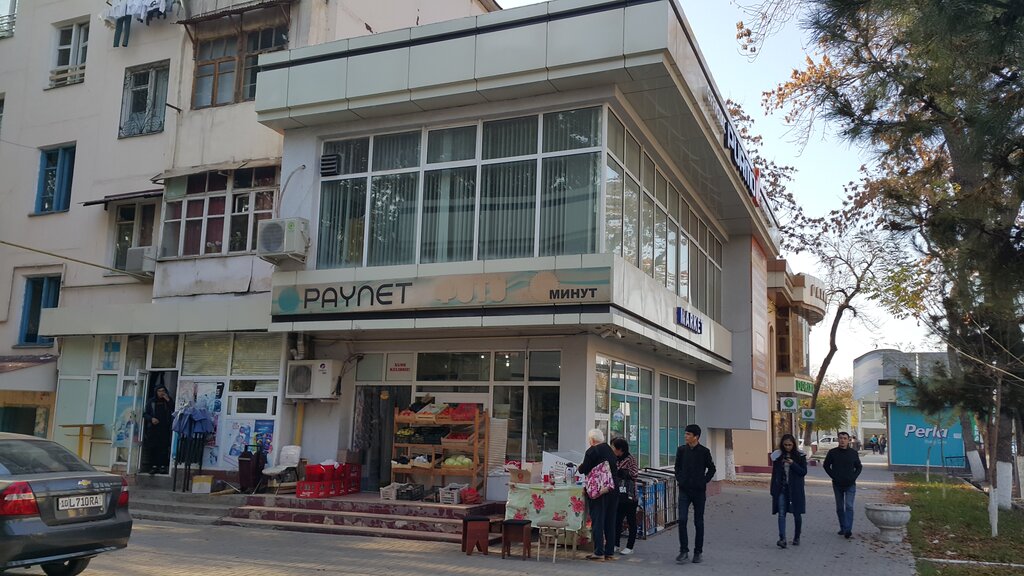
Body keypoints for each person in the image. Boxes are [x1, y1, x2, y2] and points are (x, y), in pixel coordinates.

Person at [674, 424, 716, 564]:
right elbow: (677, 467)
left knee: (698, 522)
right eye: (685, 434)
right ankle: (683, 550)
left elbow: (712, 468)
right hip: (684, 490)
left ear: (696, 437)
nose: (685, 436)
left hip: (698, 492)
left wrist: (703, 481)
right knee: (682, 519)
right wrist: (680, 479)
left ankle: (698, 552)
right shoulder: (681, 450)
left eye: (688, 434)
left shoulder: (704, 452)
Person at [578, 428, 619, 562]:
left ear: (592, 440)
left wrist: (579, 467)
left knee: (598, 520)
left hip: (599, 491)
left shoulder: (592, 451)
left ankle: (598, 552)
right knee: (610, 521)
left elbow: (585, 469)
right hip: (612, 489)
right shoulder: (609, 450)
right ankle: (609, 552)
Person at [823, 431, 863, 538]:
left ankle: (848, 529)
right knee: (840, 507)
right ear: (838, 439)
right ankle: (843, 527)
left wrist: (853, 477)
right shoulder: (832, 452)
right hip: (837, 484)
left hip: (850, 484)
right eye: (840, 438)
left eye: (845, 438)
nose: (842, 440)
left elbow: (859, 467)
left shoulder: (853, 453)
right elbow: (826, 465)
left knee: (849, 506)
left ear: (848, 440)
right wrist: (833, 476)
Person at [770, 434, 807, 548]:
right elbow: (774, 474)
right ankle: (782, 538)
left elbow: (803, 472)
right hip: (782, 488)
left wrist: (793, 464)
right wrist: (773, 489)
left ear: (794, 445)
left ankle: (797, 537)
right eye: (785, 445)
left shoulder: (800, 456)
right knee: (781, 513)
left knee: (797, 513)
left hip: (795, 489)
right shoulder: (778, 456)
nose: (787, 447)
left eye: (790, 445)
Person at [611, 437, 639, 555]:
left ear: (620, 449)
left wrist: (623, 472)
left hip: (630, 495)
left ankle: (630, 546)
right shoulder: (614, 459)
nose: (612, 449)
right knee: (617, 521)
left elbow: (635, 474)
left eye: (614, 447)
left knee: (631, 521)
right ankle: (615, 544)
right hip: (618, 494)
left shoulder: (631, 459)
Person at [142, 385, 173, 474]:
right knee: (153, 447)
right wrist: (151, 419)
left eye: (163, 391)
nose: (161, 393)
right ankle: (153, 466)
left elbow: (174, 409)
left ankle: (162, 466)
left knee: (163, 447)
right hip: (153, 428)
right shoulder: (151, 401)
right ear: (156, 392)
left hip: (165, 428)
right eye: (159, 391)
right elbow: (145, 414)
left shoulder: (167, 401)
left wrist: (168, 400)